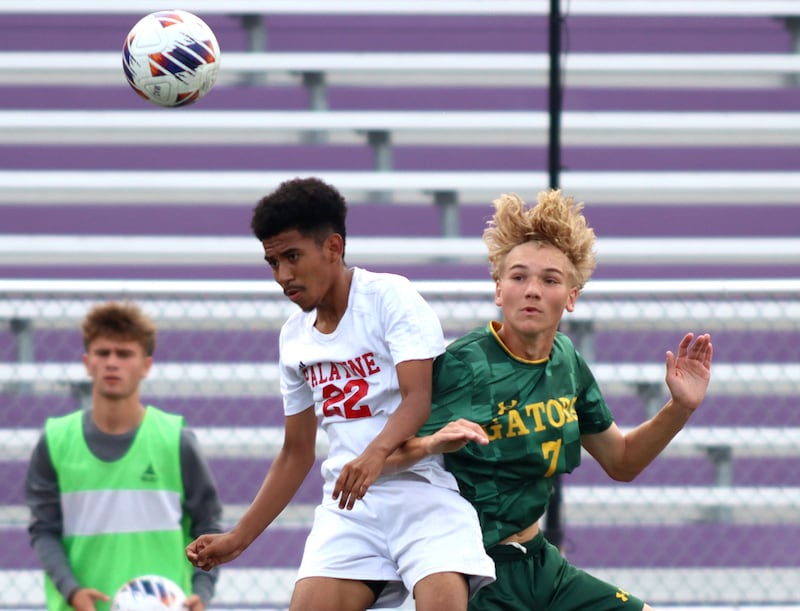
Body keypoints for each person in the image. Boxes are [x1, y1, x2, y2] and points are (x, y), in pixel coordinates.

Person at [352, 189, 714, 610]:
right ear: (498, 289)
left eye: (550, 280)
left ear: (572, 297)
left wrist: (681, 407)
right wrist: (432, 443)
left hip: (541, 563)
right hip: (478, 571)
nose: (532, 291)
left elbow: (623, 461)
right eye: (519, 277)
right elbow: (382, 458)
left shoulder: (566, 362)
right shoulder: (466, 365)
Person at [185, 176, 495, 611]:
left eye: (292, 256)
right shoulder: (293, 338)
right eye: (272, 262)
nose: (283, 276)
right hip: (349, 508)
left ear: (333, 247)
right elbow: (295, 452)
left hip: (422, 492)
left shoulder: (390, 297)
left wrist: (374, 454)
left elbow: (417, 398)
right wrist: (239, 538)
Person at [25, 301, 224, 611]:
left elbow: (207, 526)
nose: (112, 362)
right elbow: (44, 530)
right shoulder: (55, 440)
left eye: (124, 353)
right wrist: (73, 591)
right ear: (87, 362)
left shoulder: (176, 439)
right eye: (103, 353)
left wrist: (202, 591)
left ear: (146, 365)